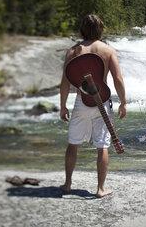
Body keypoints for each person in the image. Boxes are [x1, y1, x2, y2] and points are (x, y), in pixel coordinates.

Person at [59, 14, 127, 198]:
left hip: (82, 101)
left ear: (82, 29)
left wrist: (63, 106)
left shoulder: (73, 51)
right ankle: (100, 189)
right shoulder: (108, 50)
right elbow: (117, 79)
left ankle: (67, 184)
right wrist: (123, 102)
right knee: (102, 146)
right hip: (102, 101)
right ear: (100, 29)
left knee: (73, 143)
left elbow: (65, 82)